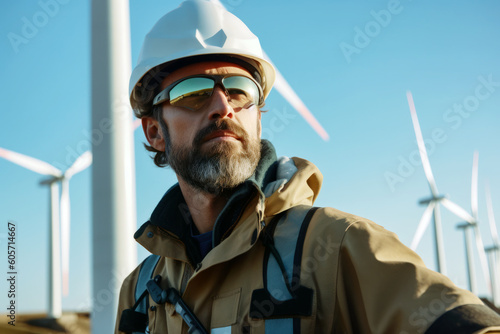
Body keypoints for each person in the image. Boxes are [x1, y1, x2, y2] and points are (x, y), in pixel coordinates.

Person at [116, 1, 500, 333]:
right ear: (154, 132)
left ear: (259, 119)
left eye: (240, 90)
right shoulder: (138, 294)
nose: (223, 106)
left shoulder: (336, 247)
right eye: (194, 93)